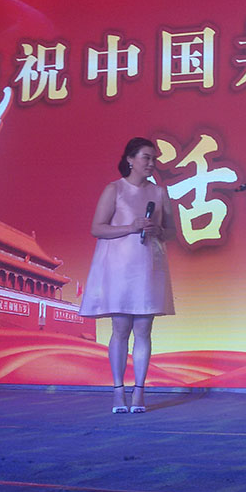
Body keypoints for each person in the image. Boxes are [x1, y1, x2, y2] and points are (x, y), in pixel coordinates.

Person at [79, 137, 175, 414]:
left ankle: (139, 392)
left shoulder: (159, 193)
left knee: (144, 330)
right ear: (130, 160)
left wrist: (158, 230)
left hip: (148, 268)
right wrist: (130, 227)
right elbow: (97, 228)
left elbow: (171, 232)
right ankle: (118, 391)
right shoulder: (115, 189)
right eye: (146, 157)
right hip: (120, 269)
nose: (151, 163)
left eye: (154, 159)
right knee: (120, 329)